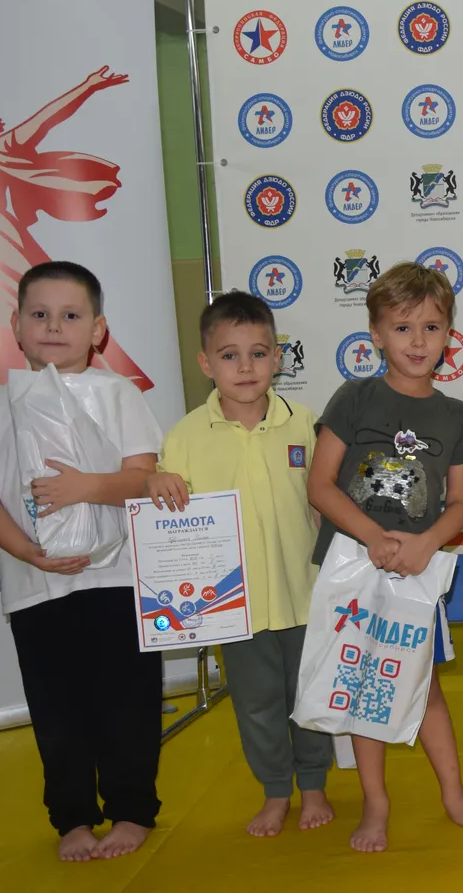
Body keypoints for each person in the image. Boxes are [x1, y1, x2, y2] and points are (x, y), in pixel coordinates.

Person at [0, 261, 164, 862]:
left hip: (118, 580)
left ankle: (132, 809)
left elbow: (142, 479)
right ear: (16, 325)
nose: (53, 327)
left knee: (128, 701)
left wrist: (85, 488)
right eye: (39, 314)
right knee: (57, 708)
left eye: (70, 315)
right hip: (35, 586)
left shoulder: (119, 395)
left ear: (98, 330)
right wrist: (26, 552)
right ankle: (72, 818)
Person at [305, 262, 463, 852]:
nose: (418, 341)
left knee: (426, 685)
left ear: (449, 337)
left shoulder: (456, 416)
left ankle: (454, 796)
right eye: (403, 327)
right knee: (364, 684)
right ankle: (376, 803)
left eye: (431, 328)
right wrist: (372, 537)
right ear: (376, 334)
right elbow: (320, 485)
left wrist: (424, 543)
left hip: (417, 572)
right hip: (352, 568)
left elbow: (461, 504)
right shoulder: (355, 398)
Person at [145, 292, 334, 837]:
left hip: (305, 593)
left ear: (278, 358)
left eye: (258, 353)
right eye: (229, 356)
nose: (245, 367)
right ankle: (275, 791)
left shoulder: (306, 424)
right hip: (233, 605)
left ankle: (313, 784)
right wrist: (156, 480)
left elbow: (325, 502)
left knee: (309, 694)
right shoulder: (184, 437)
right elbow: (166, 514)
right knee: (255, 704)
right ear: (206, 364)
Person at [0, 68, 150, 387]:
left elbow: (45, 119)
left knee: (34, 308)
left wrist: (87, 86)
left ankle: (105, 379)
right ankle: (35, 385)